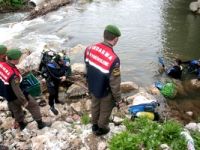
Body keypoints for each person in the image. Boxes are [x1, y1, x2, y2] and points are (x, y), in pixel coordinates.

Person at [84, 25, 122, 136]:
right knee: (105, 110)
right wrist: (118, 99)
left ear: (104, 35)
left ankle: (94, 125)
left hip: (93, 86)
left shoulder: (89, 48)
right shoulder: (114, 59)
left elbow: (87, 66)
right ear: (115, 39)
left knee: (95, 106)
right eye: (117, 39)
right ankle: (102, 128)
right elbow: (115, 83)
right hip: (105, 90)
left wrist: (90, 82)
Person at [0, 49, 50, 130]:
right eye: (19, 58)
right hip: (16, 95)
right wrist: (24, 101)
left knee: (16, 109)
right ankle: (40, 124)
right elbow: (17, 90)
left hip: (8, 94)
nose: (20, 59)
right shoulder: (13, 75)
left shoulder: (2, 64)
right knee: (34, 106)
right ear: (15, 60)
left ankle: (22, 125)